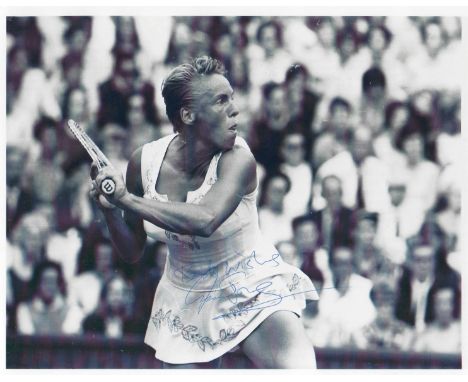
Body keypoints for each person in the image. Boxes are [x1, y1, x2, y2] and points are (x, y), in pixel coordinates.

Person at [90, 56, 318, 368]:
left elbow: (205, 220)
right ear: (188, 114)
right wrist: (109, 209)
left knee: (301, 369)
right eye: (221, 100)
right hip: (185, 297)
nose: (234, 110)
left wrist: (126, 199)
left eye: (232, 99)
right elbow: (132, 251)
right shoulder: (143, 163)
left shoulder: (240, 159)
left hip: (252, 285)